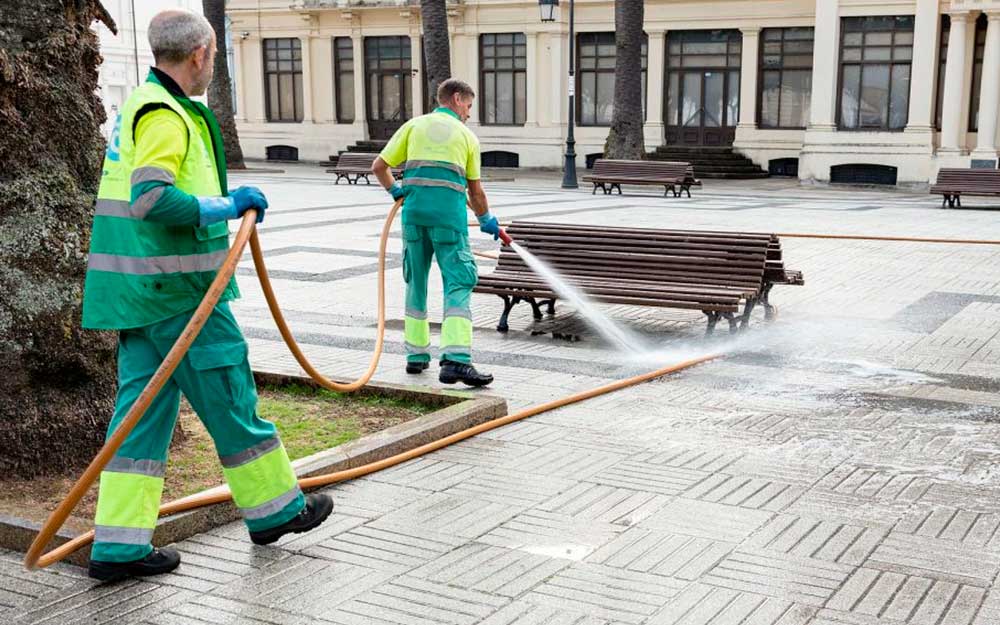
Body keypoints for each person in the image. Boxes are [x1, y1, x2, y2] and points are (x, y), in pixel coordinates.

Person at [81, 9, 332, 582]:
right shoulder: (167, 114)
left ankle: (118, 548)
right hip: (182, 294)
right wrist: (228, 203)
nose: (211, 66)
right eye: (213, 57)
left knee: (138, 421)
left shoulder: (141, 104)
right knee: (230, 396)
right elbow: (151, 199)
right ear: (200, 54)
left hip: (141, 293)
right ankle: (277, 511)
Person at [372, 79, 502, 387]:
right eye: (468, 106)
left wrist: (396, 191)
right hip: (449, 223)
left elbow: (379, 165)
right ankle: (456, 360)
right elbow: (476, 190)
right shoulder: (466, 136)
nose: (469, 113)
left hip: (414, 218)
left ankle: (416, 356)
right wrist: (486, 218)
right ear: (457, 99)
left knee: (415, 282)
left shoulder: (413, 127)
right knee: (459, 282)